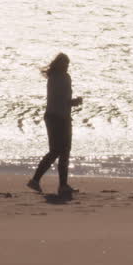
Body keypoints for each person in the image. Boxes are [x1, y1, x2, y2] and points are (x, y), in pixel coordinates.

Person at [27, 53, 83, 196]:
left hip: (54, 117)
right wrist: (75, 102)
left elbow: (59, 99)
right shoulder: (63, 78)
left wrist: (71, 103)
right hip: (59, 118)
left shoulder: (53, 77)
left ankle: (39, 181)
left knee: (58, 151)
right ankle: (57, 184)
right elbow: (62, 100)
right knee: (61, 151)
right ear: (60, 64)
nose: (67, 67)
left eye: (68, 64)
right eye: (65, 64)